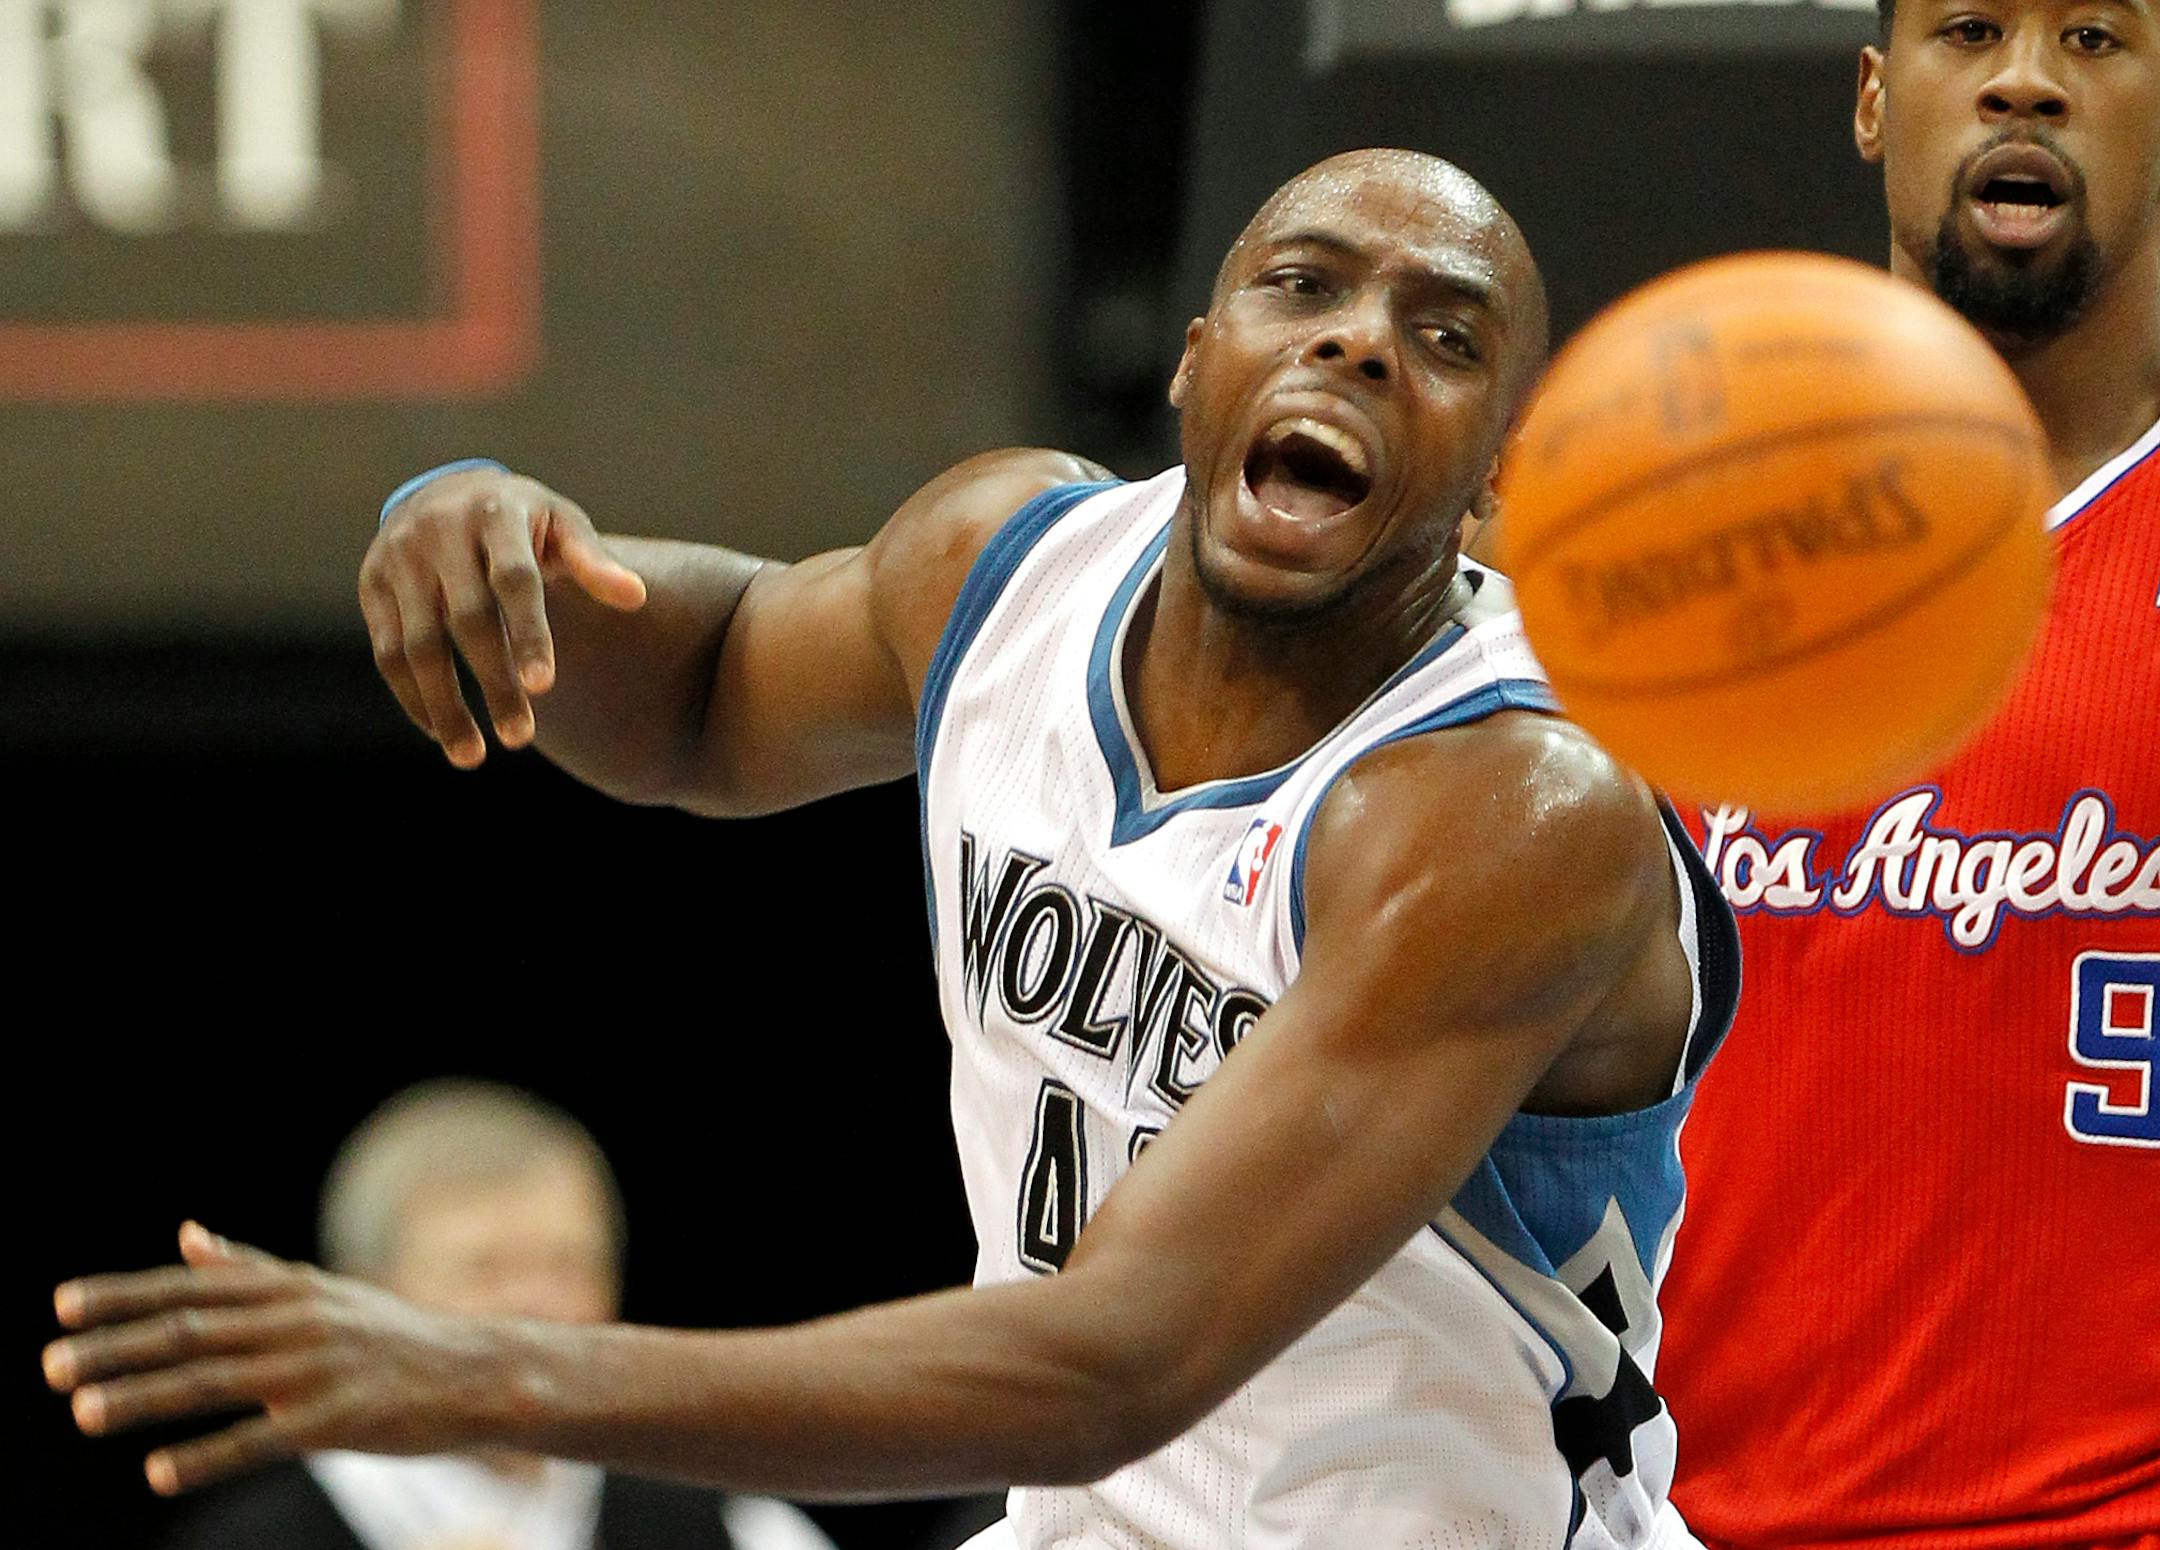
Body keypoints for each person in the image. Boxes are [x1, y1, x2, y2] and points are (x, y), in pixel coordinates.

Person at [44, 149, 1739, 1550]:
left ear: (1504, 478)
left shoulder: (1514, 812)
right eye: (1302, 287)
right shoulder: (1012, 561)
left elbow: (1110, 1367)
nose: (1357, 343)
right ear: (1196, 354)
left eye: (1443, 339)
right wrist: (481, 532)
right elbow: (704, 699)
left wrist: (495, 1373)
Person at [1653, 4, 2160, 1547]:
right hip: (1662, 1515)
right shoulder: (1648, 547)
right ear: (1875, 101)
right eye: (1969, 30)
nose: (2024, 77)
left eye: (2095, 35)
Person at [157, 1080, 837, 1550]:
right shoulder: (246, 1538)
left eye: (568, 1263)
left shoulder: (728, 1522)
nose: (535, 1308)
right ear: (360, 1302)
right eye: (485, 1271)